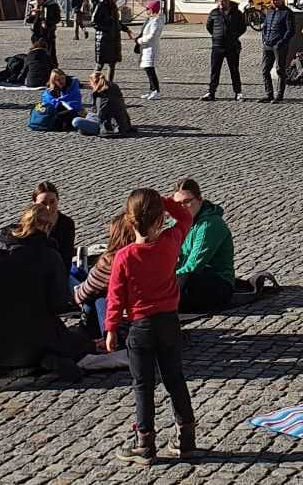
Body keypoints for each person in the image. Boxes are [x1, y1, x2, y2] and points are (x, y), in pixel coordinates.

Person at [105, 188, 197, 465]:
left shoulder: (125, 256)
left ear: (130, 221)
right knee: (175, 378)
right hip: (169, 321)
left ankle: (145, 442)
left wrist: (110, 328)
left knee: (143, 385)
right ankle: (186, 438)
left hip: (141, 326)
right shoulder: (170, 242)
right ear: (160, 220)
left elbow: (115, 296)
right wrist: (167, 201)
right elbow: (185, 219)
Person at [0, 203, 92, 378]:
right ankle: (41, 358)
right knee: (82, 342)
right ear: (47, 227)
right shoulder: (48, 256)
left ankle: (17, 363)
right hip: (34, 333)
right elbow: (58, 303)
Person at [174, 178, 235, 313]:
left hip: (217, 283)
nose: (182, 207)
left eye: (187, 202)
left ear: (199, 200)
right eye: (178, 204)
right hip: (186, 278)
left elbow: (193, 266)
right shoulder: (177, 223)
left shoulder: (209, 225)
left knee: (184, 280)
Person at [74, 213, 132, 339]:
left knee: (96, 297)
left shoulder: (111, 261)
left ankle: (87, 330)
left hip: (125, 323)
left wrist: (78, 293)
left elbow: (85, 292)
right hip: (155, 318)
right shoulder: (150, 253)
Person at [201, 0, 245, 102]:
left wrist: (234, 36)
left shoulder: (237, 13)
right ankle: (211, 92)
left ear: (228, 2)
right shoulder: (214, 13)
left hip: (232, 46)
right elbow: (209, 27)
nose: (221, 3)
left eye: (223, 1)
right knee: (215, 71)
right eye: (219, 1)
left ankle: (238, 92)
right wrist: (217, 36)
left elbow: (242, 27)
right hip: (217, 46)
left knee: (234, 70)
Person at [259, 0, 294, 103]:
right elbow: (265, 28)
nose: (273, 2)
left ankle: (279, 95)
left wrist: (281, 42)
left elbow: (290, 31)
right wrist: (264, 39)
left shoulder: (287, 12)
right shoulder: (269, 12)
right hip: (268, 45)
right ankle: (269, 94)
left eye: (275, 0)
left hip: (279, 46)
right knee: (265, 70)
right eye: (272, 0)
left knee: (280, 70)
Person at [32, 181, 76, 273]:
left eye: (52, 202)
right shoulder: (29, 224)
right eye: (43, 203)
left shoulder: (67, 224)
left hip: (59, 272)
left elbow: (66, 258)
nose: (48, 207)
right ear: (34, 204)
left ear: (58, 200)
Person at [92, 0, 132, 82]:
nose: (117, 0)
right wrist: (106, 29)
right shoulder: (100, 6)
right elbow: (94, 22)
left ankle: (110, 84)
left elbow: (116, 22)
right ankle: (93, 81)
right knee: (100, 64)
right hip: (103, 39)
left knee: (112, 63)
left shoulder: (113, 6)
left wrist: (125, 29)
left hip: (113, 39)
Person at [89, 71, 137, 136]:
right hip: (124, 123)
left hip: (113, 127)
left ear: (93, 82)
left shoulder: (99, 94)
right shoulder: (114, 86)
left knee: (78, 122)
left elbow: (100, 114)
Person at [136, 0, 166, 101]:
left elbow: (152, 35)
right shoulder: (150, 20)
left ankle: (156, 90)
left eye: (148, 9)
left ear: (152, 9)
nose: (146, 11)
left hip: (151, 49)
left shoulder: (156, 21)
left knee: (150, 70)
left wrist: (140, 40)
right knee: (147, 69)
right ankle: (151, 90)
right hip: (146, 48)